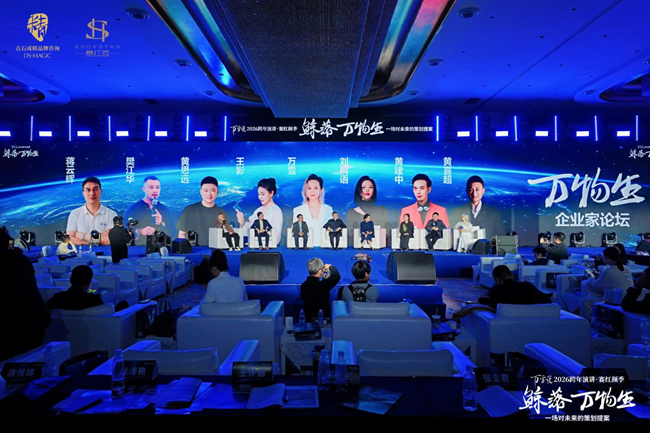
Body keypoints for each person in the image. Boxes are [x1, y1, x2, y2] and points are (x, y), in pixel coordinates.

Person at [0, 227, 51, 361]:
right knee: (29, 362)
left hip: (17, 322)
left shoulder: (17, 261)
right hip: (32, 320)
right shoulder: (21, 260)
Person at [579, 247, 634, 319]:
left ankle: (588, 321)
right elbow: (611, 279)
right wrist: (599, 276)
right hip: (625, 299)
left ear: (607, 258)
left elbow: (596, 285)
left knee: (585, 301)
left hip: (613, 301)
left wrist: (589, 278)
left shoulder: (609, 270)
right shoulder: (625, 268)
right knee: (593, 295)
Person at [176, 176, 229, 246]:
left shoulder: (222, 213)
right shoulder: (189, 210)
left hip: (216, 250)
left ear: (217, 192)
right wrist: (185, 249)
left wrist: (241, 224)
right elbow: (182, 234)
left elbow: (227, 235)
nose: (209, 194)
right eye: (206, 190)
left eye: (213, 190)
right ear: (201, 191)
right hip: (194, 251)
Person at [124, 175, 175, 246]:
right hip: (139, 248)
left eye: (157, 187)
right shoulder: (133, 209)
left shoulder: (165, 210)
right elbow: (125, 229)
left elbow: (172, 233)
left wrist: (161, 223)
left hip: (161, 248)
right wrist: (140, 231)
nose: (155, 190)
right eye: (151, 187)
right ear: (144, 189)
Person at [66, 176, 117, 246]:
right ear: (83, 192)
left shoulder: (111, 214)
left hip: (104, 253)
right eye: (88, 190)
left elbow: (112, 239)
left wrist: (83, 236)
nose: (92, 193)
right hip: (81, 253)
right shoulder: (75, 213)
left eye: (95, 189)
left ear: (100, 191)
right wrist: (89, 244)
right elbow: (69, 238)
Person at [451, 175, 505, 240]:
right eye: (471, 190)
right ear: (467, 191)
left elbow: (501, 237)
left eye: (477, 190)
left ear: (483, 191)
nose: (474, 193)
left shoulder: (494, 213)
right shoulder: (457, 212)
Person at [478, 265, 551, 309]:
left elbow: (492, 306)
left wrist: (482, 300)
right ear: (511, 275)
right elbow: (547, 300)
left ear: (497, 279)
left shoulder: (496, 291)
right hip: (532, 321)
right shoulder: (527, 286)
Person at [237, 178, 283, 243]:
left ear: (271, 193)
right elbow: (249, 231)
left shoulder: (277, 211)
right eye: (258, 194)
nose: (260, 197)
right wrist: (242, 223)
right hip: (254, 245)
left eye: (263, 194)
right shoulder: (258, 210)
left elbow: (276, 237)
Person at [293, 174, 333, 247]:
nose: (312, 191)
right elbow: (295, 230)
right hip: (304, 247)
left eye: (316, 188)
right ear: (305, 191)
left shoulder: (328, 209)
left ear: (321, 190)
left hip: (325, 247)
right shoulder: (298, 210)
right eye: (309, 188)